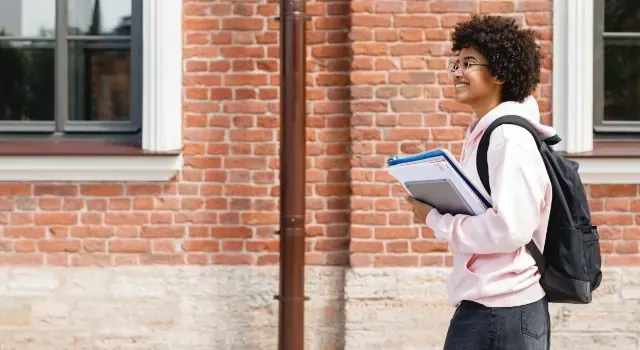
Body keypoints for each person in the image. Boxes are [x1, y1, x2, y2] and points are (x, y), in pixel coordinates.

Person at [404, 15, 555, 350]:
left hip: (502, 310)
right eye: (454, 63)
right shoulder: (486, 132)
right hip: (493, 305)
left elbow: (511, 230)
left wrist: (435, 219)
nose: (457, 72)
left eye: (468, 63)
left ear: (499, 72)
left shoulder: (507, 139)